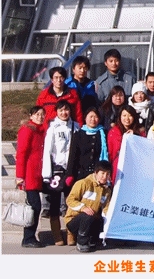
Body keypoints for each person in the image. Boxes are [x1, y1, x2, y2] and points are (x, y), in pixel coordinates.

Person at [42, 100, 80, 246]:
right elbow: (47, 151)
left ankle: (71, 233)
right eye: (61, 110)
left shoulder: (76, 126)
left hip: (71, 170)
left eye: (66, 110)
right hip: (56, 170)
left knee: (71, 202)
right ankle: (57, 235)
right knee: (55, 203)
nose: (64, 113)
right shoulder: (52, 128)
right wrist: (47, 174)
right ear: (56, 112)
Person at [64, 160, 112, 253]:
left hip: (91, 219)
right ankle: (81, 242)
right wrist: (83, 208)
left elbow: (106, 208)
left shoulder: (107, 191)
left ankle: (92, 240)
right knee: (87, 216)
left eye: (107, 174)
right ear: (96, 173)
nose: (105, 177)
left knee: (100, 219)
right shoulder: (83, 183)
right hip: (74, 220)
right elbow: (70, 200)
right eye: (102, 173)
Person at [15, 106, 46, 248]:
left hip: (38, 175)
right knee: (34, 206)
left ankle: (30, 237)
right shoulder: (27, 130)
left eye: (42, 114)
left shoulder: (41, 131)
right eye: (37, 114)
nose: (40, 117)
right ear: (31, 116)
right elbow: (21, 154)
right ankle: (28, 237)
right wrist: (20, 176)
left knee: (35, 207)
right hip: (29, 175)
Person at [65, 107, 109, 186]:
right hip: (81, 174)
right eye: (91, 117)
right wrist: (70, 174)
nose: (93, 119)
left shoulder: (104, 133)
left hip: (98, 175)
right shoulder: (78, 135)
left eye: (95, 117)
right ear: (85, 118)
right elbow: (73, 156)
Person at [107, 105, 146, 184]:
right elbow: (110, 153)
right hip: (117, 167)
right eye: (124, 115)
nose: (127, 119)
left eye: (130, 116)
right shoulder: (113, 132)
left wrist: (134, 137)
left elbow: (142, 151)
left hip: (134, 168)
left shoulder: (140, 133)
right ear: (120, 117)